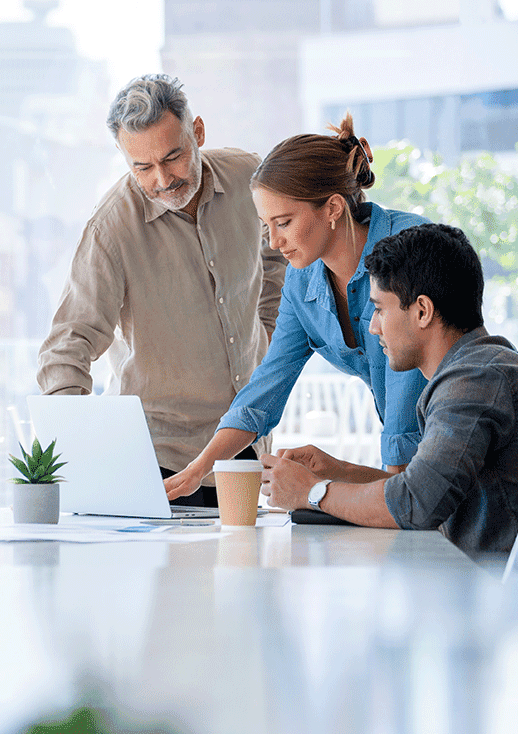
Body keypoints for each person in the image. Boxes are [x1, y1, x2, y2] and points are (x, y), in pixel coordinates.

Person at [37, 74, 286, 506]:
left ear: (198, 132)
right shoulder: (111, 228)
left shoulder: (249, 176)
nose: (162, 179)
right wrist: (81, 457)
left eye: (173, 157)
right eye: (142, 167)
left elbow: (277, 254)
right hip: (159, 460)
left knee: (245, 552)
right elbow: (67, 347)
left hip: (245, 446)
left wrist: (267, 328)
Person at [164, 114, 430, 501]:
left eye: (284, 222)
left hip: (464, 446)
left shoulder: (408, 247)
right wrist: (198, 469)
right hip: (418, 471)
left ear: (333, 208)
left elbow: (405, 397)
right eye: (266, 226)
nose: (274, 242)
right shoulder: (302, 281)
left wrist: (358, 489)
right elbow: (266, 387)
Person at [257, 224, 518, 559]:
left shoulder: (474, 380)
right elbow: (424, 489)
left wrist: (312, 492)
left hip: (492, 588)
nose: (373, 327)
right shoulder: (476, 369)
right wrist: (338, 472)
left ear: (422, 311)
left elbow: (417, 503)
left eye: (380, 309)